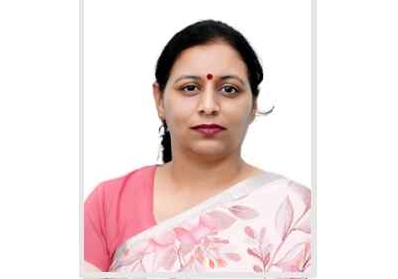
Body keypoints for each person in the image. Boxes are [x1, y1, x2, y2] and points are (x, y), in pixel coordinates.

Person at [83, 19, 312, 275]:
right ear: (159, 100)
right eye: (190, 88)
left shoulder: (298, 211)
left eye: (229, 89)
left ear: (253, 105)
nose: (208, 106)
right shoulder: (109, 202)